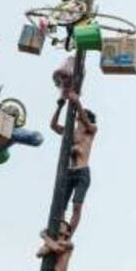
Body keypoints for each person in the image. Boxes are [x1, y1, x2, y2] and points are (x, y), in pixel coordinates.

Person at [49, 91, 97, 235]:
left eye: (81, 117)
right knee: (61, 206)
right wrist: (60, 107)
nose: (79, 120)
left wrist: (77, 103)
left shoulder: (91, 130)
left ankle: (70, 233)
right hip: (69, 172)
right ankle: (61, 230)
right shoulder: (70, 131)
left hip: (82, 172)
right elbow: (53, 125)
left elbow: (86, 120)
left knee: (77, 205)